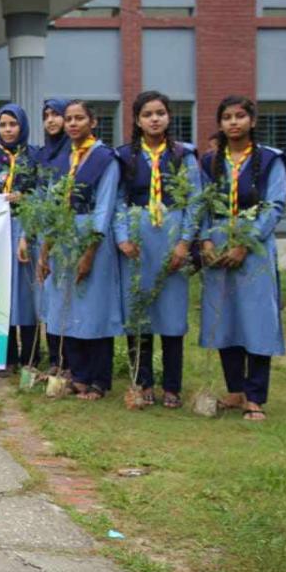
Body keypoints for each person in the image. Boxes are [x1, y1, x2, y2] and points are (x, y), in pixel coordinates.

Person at [198, 96, 286, 422]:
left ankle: (255, 397)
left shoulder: (270, 159)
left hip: (254, 248)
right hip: (218, 246)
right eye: (227, 117)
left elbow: (274, 207)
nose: (233, 122)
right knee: (226, 318)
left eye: (239, 116)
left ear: (252, 120)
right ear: (220, 123)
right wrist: (206, 240)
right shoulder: (210, 161)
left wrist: (245, 245)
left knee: (257, 318)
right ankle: (235, 390)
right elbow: (202, 204)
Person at [113, 91, 200, 408]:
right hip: (138, 241)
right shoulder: (124, 156)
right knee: (139, 311)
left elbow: (195, 201)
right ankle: (142, 381)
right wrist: (122, 237)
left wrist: (184, 242)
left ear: (169, 117)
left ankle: (172, 386)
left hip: (171, 238)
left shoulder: (183, 155)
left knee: (172, 314)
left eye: (160, 113)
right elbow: (118, 200)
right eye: (147, 114)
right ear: (137, 120)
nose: (154, 119)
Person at [38, 100, 122, 400]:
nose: (73, 124)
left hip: (91, 237)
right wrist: (45, 250)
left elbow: (105, 206)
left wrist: (90, 251)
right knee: (66, 305)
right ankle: (79, 374)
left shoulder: (105, 158)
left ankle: (99, 379)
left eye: (79, 118)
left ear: (92, 122)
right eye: (69, 119)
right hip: (63, 237)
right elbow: (51, 205)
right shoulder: (63, 159)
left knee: (94, 308)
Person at [0, 103, 41, 373]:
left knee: (26, 294)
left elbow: (42, 191)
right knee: (2, 292)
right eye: (2, 125)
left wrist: (25, 198)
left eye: (13, 124)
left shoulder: (35, 156)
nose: (7, 129)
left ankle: (31, 357)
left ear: (22, 126)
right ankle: (7, 357)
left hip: (27, 226)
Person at [36, 97, 71, 374]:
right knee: (49, 298)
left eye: (56, 114)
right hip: (45, 233)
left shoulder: (74, 153)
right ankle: (55, 361)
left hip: (69, 233)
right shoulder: (43, 154)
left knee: (67, 296)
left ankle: (70, 361)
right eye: (46, 115)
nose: (51, 120)